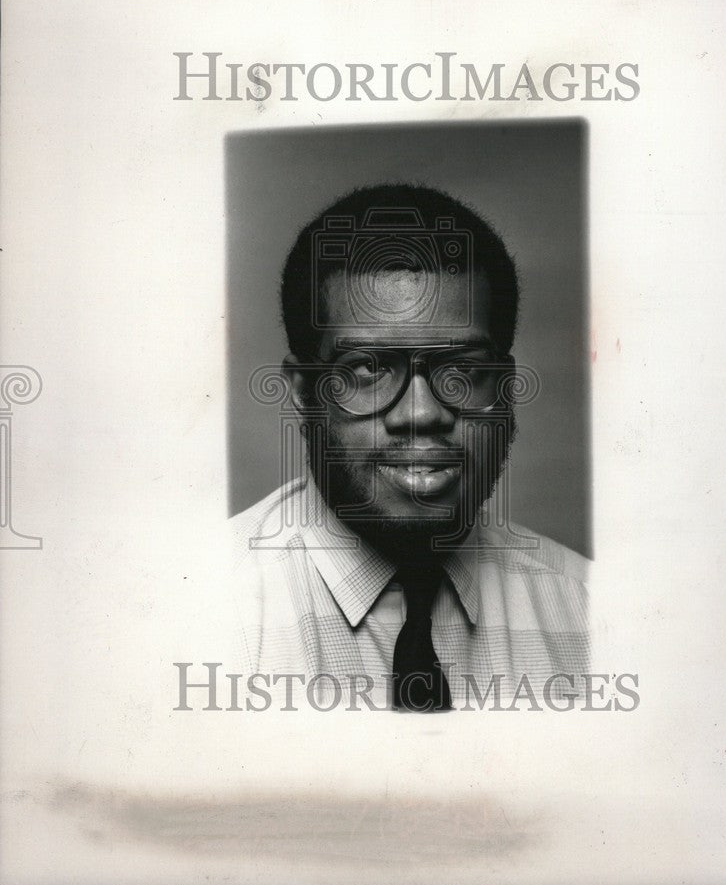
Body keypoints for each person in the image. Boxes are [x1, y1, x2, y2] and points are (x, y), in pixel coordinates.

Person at [230, 184, 589, 711]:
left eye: (462, 370)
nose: (421, 413)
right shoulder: (200, 609)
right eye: (368, 369)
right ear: (302, 391)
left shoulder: (588, 608)